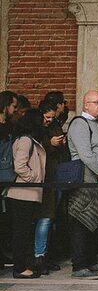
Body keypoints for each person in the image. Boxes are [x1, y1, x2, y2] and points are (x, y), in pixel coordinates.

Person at [66, 90, 98, 279]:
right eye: (96, 102)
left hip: (96, 177)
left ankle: (91, 261)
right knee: (81, 218)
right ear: (86, 104)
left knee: (94, 218)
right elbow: (86, 155)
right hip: (84, 177)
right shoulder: (80, 123)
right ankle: (79, 265)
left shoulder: (96, 124)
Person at [6, 109, 47, 278]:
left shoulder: (27, 139)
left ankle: (22, 265)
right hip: (23, 192)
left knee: (22, 231)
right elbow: (20, 165)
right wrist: (33, 178)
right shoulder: (25, 140)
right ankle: (20, 268)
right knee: (21, 232)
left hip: (27, 192)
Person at [33, 96, 68, 275]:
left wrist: (61, 143)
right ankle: (39, 256)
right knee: (44, 218)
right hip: (40, 179)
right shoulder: (33, 129)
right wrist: (50, 143)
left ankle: (45, 255)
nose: (49, 121)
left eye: (52, 118)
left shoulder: (54, 126)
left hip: (54, 177)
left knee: (51, 218)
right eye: (46, 117)